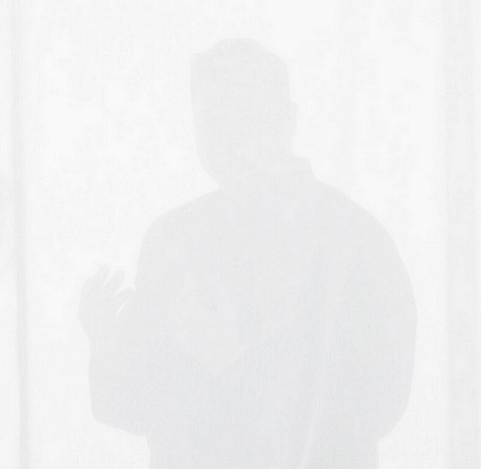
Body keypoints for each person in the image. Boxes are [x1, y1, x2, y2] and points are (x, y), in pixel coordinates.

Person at [79, 39, 416, 469]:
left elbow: (374, 409)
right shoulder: (173, 241)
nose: (229, 135)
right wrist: (108, 347)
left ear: (287, 119)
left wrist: (234, 362)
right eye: (212, 119)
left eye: (246, 112)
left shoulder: (354, 243)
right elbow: (135, 407)